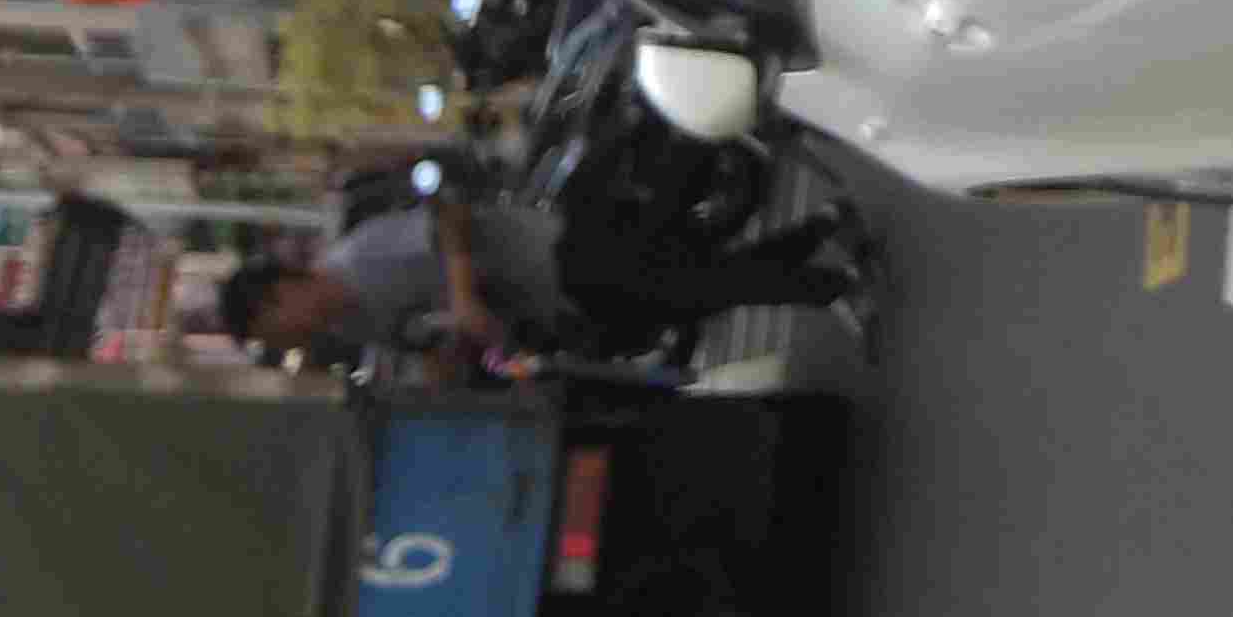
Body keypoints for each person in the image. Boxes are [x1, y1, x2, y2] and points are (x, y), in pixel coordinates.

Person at [216, 184, 876, 369]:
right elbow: (431, 340)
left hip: (555, 252)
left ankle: (838, 285)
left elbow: (448, 214)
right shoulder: (356, 328)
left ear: (280, 294)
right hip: (549, 302)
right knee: (689, 299)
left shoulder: (360, 255)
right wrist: (459, 351)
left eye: (279, 331)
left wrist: (463, 292)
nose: (294, 342)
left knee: (692, 286)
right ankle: (822, 228)